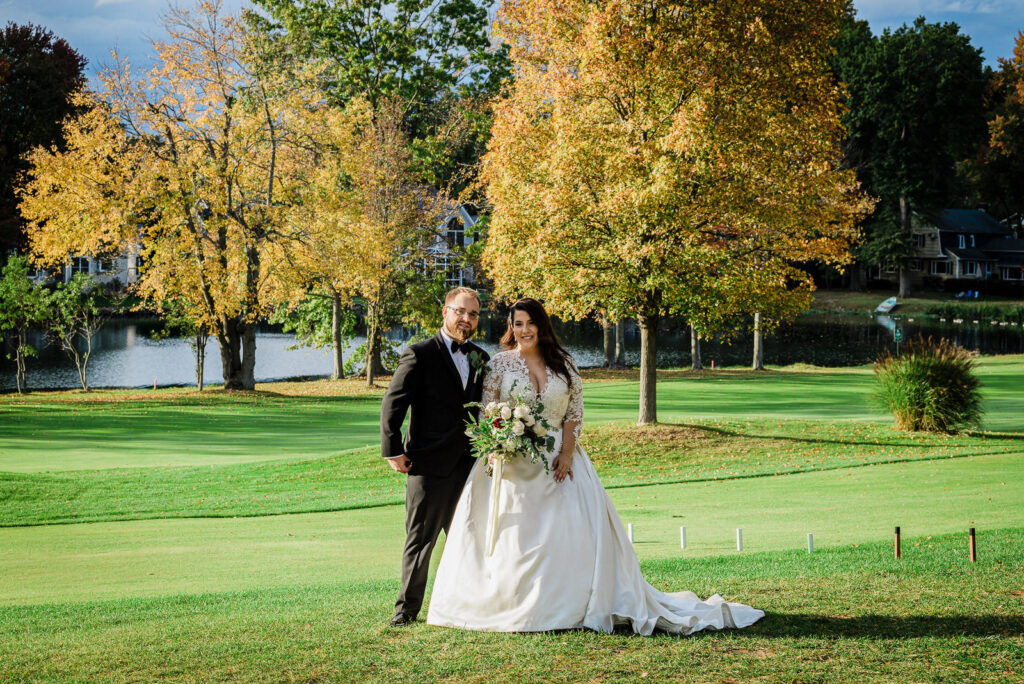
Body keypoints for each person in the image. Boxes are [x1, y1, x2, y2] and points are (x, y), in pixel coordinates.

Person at [426, 298, 764, 634]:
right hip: (512, 465)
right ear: (510, 328)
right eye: (517, 324)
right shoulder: (499, 364)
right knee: (515, 539)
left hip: (561, 462)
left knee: (568, 535)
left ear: (543, 325)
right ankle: (510, 604)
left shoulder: (566, 364)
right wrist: (499, 442)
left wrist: (568, 454)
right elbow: (488, 410)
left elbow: (573, 415)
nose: (524, 329)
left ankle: (572, 604)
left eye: (530, 322)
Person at [380, 286, 490, 627]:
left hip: (469, 466)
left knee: (471, 539)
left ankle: (475, 606)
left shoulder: (481, 359)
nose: (466, 319)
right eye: (460, 312)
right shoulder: (419, 353)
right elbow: (393, 404)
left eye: (472, 314)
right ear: (445, 312)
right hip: (427, 465)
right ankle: (406, 610)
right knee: (420, 541)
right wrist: (393, 450)